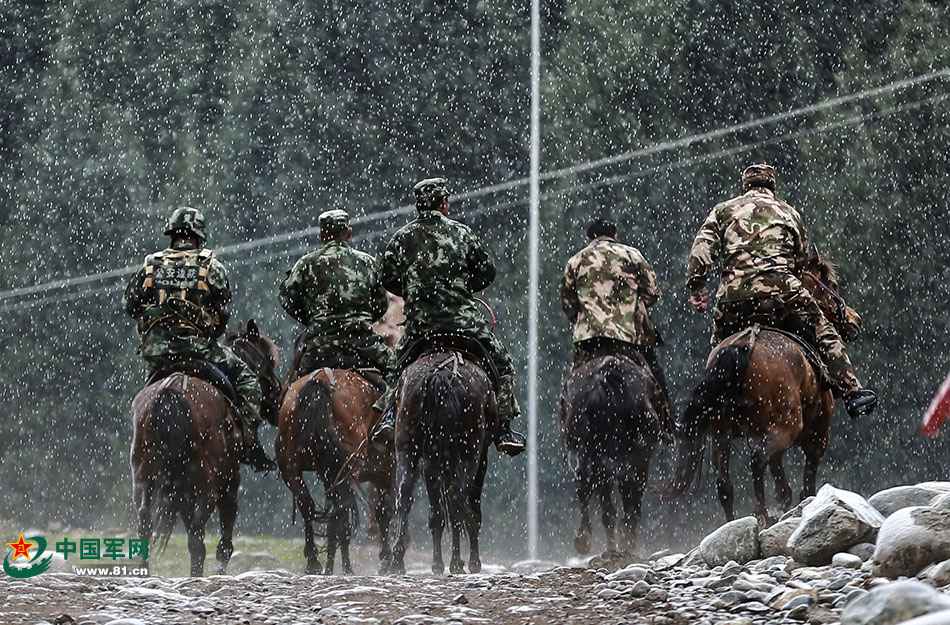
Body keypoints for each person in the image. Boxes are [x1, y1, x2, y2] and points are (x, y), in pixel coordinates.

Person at [686, 163, 877, 418]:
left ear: (745, 185)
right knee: (823, 329)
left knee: (718, 346)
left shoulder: (722, 210)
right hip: (782, 294)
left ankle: (709, 405)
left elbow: (700, 252)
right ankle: (853, 390)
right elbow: (801, 263)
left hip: (733, 298)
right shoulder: (789, 213)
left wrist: (697, 286)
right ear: (772, 185)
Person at [373, 177, 526, 456]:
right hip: (464, 323)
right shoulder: (463, 233)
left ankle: (389, 417)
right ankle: (504, 428)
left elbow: (387, 278)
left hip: (421, 326)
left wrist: (413, 290)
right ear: (444, 203)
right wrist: (463, 286)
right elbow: (487, 272)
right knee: (502, 364)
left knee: (396, 367)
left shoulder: (401, 238)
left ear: (419, 205)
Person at [124, 206, 276, 471]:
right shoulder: (210, 266)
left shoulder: (151, 266)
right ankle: (250, 444)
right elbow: (222, 314)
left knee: (143, 398)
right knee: (248, 381)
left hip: (158, 354)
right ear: (198, 236)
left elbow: (130, 305)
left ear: (171, 233)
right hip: (199, 351)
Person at [560, 217, 674, 434]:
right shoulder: (632, 255)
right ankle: (667, 423)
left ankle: (567, 428)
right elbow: (652, 293)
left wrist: (582, 317)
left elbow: (567, 303)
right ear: (615, 235)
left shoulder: (576, 261)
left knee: (570, 382)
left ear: (589, 237)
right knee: (656, 375)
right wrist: (630, 307)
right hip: (628, 337)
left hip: (590, 340)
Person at [279, 209, 391, 380]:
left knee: (288, 389)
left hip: (319, 347)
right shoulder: (367, 262)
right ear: (349, 233)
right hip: (363, 344)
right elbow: (382, 303)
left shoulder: (305, 264)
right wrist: (361, 319)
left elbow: (287, 299)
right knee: (398, 376)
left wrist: (312, 319)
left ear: (322, 235)